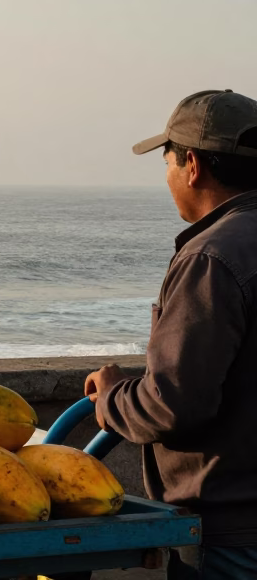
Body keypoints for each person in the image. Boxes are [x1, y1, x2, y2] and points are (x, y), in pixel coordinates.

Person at [85, 89, 257, 580]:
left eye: (167, 162)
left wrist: (114, 395)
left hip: (230, 537)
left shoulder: (213, 257)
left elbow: (174, 404)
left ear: (194, 166)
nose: (167, 177)